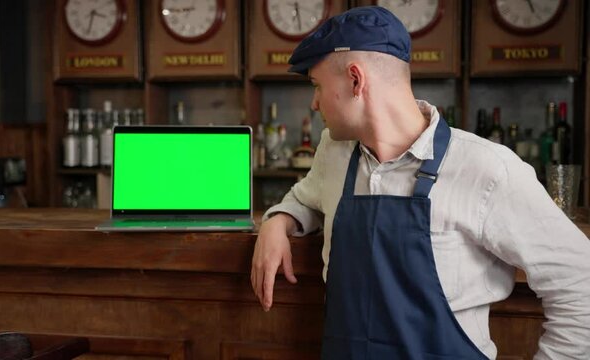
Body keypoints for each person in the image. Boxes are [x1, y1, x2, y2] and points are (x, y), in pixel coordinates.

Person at [250, 6, 590, 360]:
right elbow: (304, 198)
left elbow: (581, 282)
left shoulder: (486, 168)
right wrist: (277, 222)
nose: (314, 102)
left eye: (317, 86)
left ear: (355, 80)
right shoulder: (335, 153)